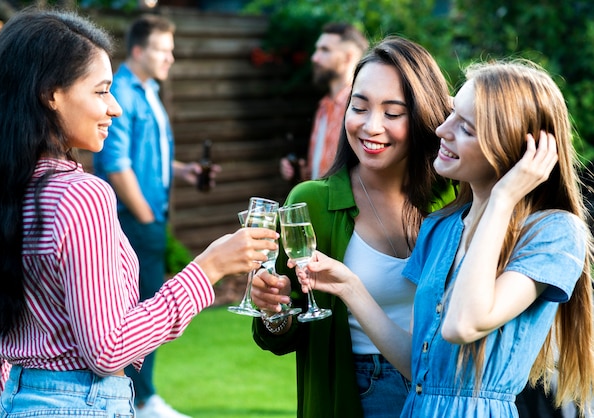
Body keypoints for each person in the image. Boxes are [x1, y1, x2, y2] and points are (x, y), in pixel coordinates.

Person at [0, 9, 278, 418]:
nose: (114, 107)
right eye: (100, 92)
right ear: (51, 94)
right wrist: (209, 267)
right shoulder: (82, 196)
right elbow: (108, 348)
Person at [297, 59, 594, 416]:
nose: (441, 130)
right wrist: (350, 287)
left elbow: (463, 324)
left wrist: (500, 199)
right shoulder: (441, 227)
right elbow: (421, 369)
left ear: (511, 146)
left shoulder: (552, 234)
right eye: (452, 115)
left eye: (465, 128)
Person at [251, 36, 456, 418]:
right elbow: (282, 331)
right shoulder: (312, 201)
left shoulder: (453, 198)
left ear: (423, 116)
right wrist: (272, 312)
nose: (370, 126)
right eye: (359, 107)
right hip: (357, 388)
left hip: (445, 391)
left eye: (392, 113)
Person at [92, 14, 218, 418]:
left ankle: (138, 396)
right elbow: (115, 163)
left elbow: (150, 157)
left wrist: (184, 171)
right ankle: (141, 400)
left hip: (146, 217)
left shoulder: (147, 91)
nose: (171, 58)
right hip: (133, 220)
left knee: (143, 301)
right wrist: (147, 218)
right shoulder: (124, 95)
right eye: (164, 50)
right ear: (139, 50)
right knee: (142, 309)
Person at [280, 22, 368, 183]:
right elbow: (319, 174)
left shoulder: (361, 109)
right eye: (317, 49)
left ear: (348, 57)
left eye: (325, 50)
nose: (314, 58)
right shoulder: (323, 106)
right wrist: (298, 172)